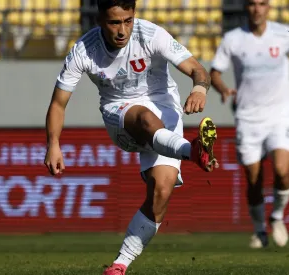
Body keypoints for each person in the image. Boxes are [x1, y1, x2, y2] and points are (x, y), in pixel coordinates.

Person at [43, 0, 219, 274]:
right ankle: (192, 151)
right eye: (114, 22)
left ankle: (120, 264)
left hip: (165, 106)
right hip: (120, 114)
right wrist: (53, 144)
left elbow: (197, 69)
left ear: (134, 15)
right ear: (101, 20)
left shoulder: (152, 35)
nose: (122, 30)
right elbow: (58, 104)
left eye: (128, 20)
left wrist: (199, 89)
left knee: (161, 191)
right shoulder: (83, 50)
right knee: (145, 118)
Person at [210, 0, 289, 249]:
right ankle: (259, 230)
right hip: (247, 118)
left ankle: (277, 217)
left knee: (282, 171)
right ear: (246, 8)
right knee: (254, 180)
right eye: (252, 4)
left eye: (262, 3)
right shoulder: (233, 39)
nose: (257, 9)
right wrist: (224, 89)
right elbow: (215, 71)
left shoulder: (286, 33)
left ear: (269, 7)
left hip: (280, 115)